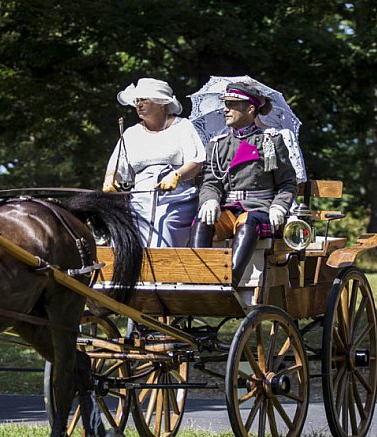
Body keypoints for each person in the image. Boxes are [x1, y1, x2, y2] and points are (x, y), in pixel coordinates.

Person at [192, 81, 298, 284]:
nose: (225, 109)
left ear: (250, 109)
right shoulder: (218, 144)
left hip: (260, 210)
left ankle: (229, 282)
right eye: (225, 104)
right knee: (202, 220)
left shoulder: (270, 140)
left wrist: (279, 206)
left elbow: (287, 183)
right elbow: (210, 182)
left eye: (232, 104)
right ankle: (198, 280)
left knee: (248, 222)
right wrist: (210, 200)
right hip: (228, 209)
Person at [103, 77, 206, 247]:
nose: (139, 104)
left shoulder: (183, 127)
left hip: (176, 200)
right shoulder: (131, 133)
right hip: (139, 200)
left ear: (161, 103)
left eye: (144, 99)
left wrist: (176, 175)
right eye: (137, 100)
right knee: (122, 233)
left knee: (163, 224)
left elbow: (196, 162)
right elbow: (117, 166)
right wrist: (110, 179)